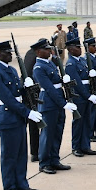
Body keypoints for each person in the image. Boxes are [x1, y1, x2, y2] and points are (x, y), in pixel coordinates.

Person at [0, 40, 42, 190]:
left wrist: (28, 88)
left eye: (10, 52)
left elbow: (18, 93)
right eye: (6, 52)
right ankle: (10, 187)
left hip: (18, 117)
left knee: (21, 153)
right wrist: (27, 113)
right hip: (8, 117)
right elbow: (8, 99)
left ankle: (21, 184)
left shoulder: (11, 70)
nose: (10, 54)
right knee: (10, 156)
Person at [31, 39, 73, 174]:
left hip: (58, 102)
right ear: (38, 52)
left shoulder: (50, 63)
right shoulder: (38, 67)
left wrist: (63, 80)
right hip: (49, 103)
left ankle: (54, 160)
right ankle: (44, 163)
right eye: (46, 49)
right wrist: (63, 103)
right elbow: (49, 88)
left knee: (57, 133)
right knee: (47, 135)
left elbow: (56, 82)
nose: (50, 51)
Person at [64, 38, 96, 157]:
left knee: (87, 121)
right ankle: (76, 147)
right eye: (77, 47)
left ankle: (85, 145)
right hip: (79, 96)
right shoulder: (70, 64)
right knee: (78, 122)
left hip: (87, 93)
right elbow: (77, 83)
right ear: (70, 50)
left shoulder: (82, 61)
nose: (80, 49)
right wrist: (88, 95)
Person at [23, 43, 41, 162]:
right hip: (32, 93)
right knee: (34, 124)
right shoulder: (32, 55)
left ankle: (37, 150)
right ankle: (35, 152)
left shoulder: (31, 53)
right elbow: (28, 72)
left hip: (33, 92)